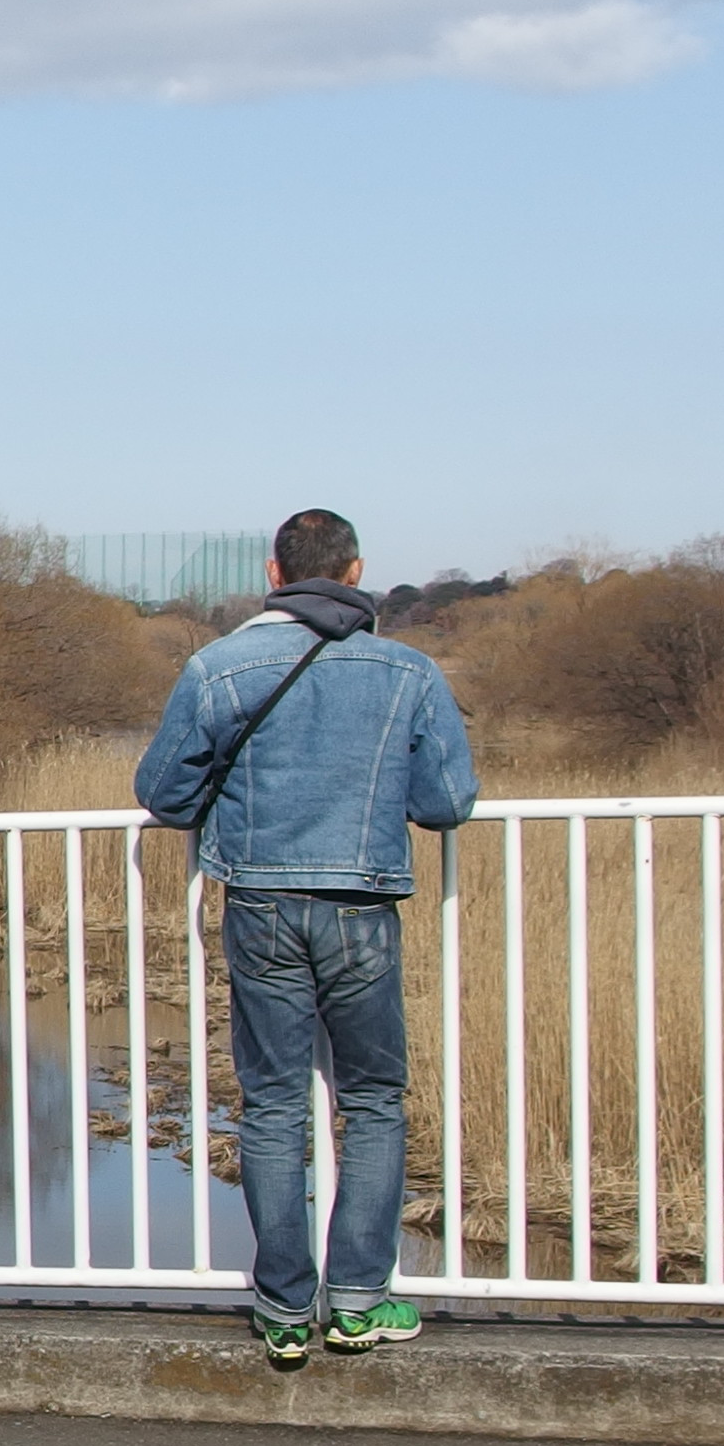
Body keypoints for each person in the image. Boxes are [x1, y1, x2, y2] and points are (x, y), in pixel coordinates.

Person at [134, 508, 477, 1369]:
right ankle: (360, 1300)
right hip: (362, 906)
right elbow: (445, 804)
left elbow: (166, 795)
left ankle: (285, 1308)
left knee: (275, 1103)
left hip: (261, 903)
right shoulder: (409, 671)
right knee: (370, 1102)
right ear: (355, 571)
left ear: (273, 573)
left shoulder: (221, 665)